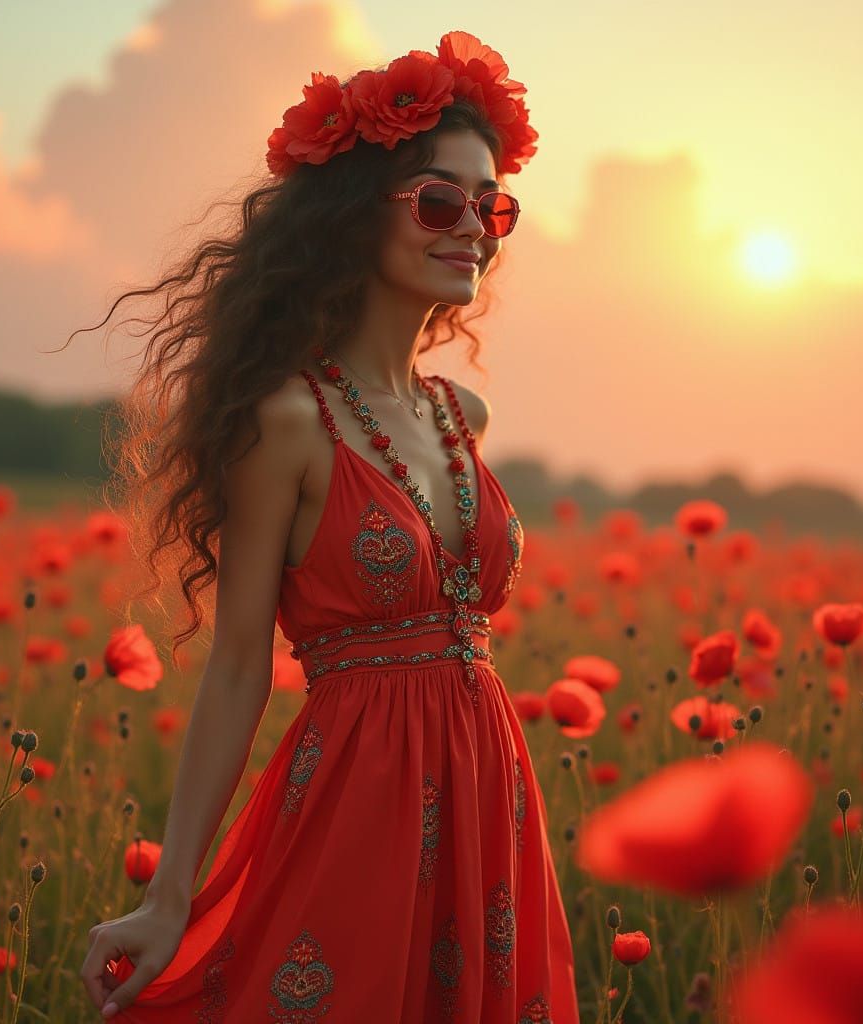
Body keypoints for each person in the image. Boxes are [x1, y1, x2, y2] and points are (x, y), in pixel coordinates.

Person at [79, 29, 579, 1022]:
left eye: (492, 207)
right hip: (360, 802)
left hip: (489, 790)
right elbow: (238, 666)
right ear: (354, 217)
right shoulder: (288, 422)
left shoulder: (462, 416)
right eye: (438, 201)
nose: (473, 228)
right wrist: (168, 894)